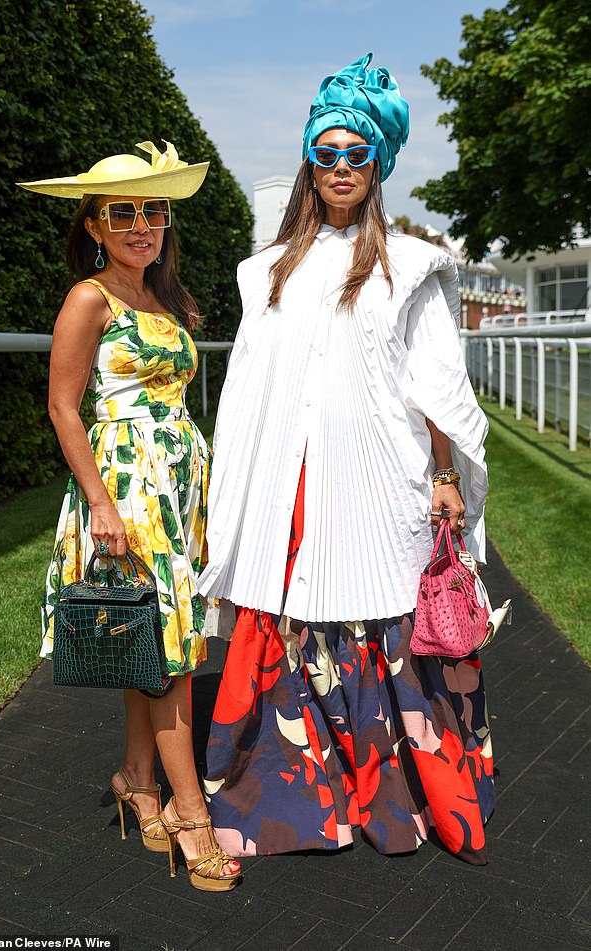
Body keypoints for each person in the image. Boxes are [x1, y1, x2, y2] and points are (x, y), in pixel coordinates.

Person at [199, 55, 494, 866]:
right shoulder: (266, 271)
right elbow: (248, 392)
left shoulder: (410, 265)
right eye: (324, 154)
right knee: (292, 605)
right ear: (308, 162)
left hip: (377, 475)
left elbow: (437, 384)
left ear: (377, 166)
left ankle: (390, 794)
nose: (338, 169)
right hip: (290, 486)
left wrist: (444, 478)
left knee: (373, 600)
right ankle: (289, 801)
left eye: (355, 155)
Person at [19, 139, 240, 891]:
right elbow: (62, 406)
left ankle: (136, 780)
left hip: (176, 484)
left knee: (147, 629)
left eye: (155, 209)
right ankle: (190, 812)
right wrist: (101, 503)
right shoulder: (91, 298)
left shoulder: (166, 298)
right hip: (127, 488)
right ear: (94, 225)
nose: (143, 224)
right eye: (124, 212)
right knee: (172, 649)